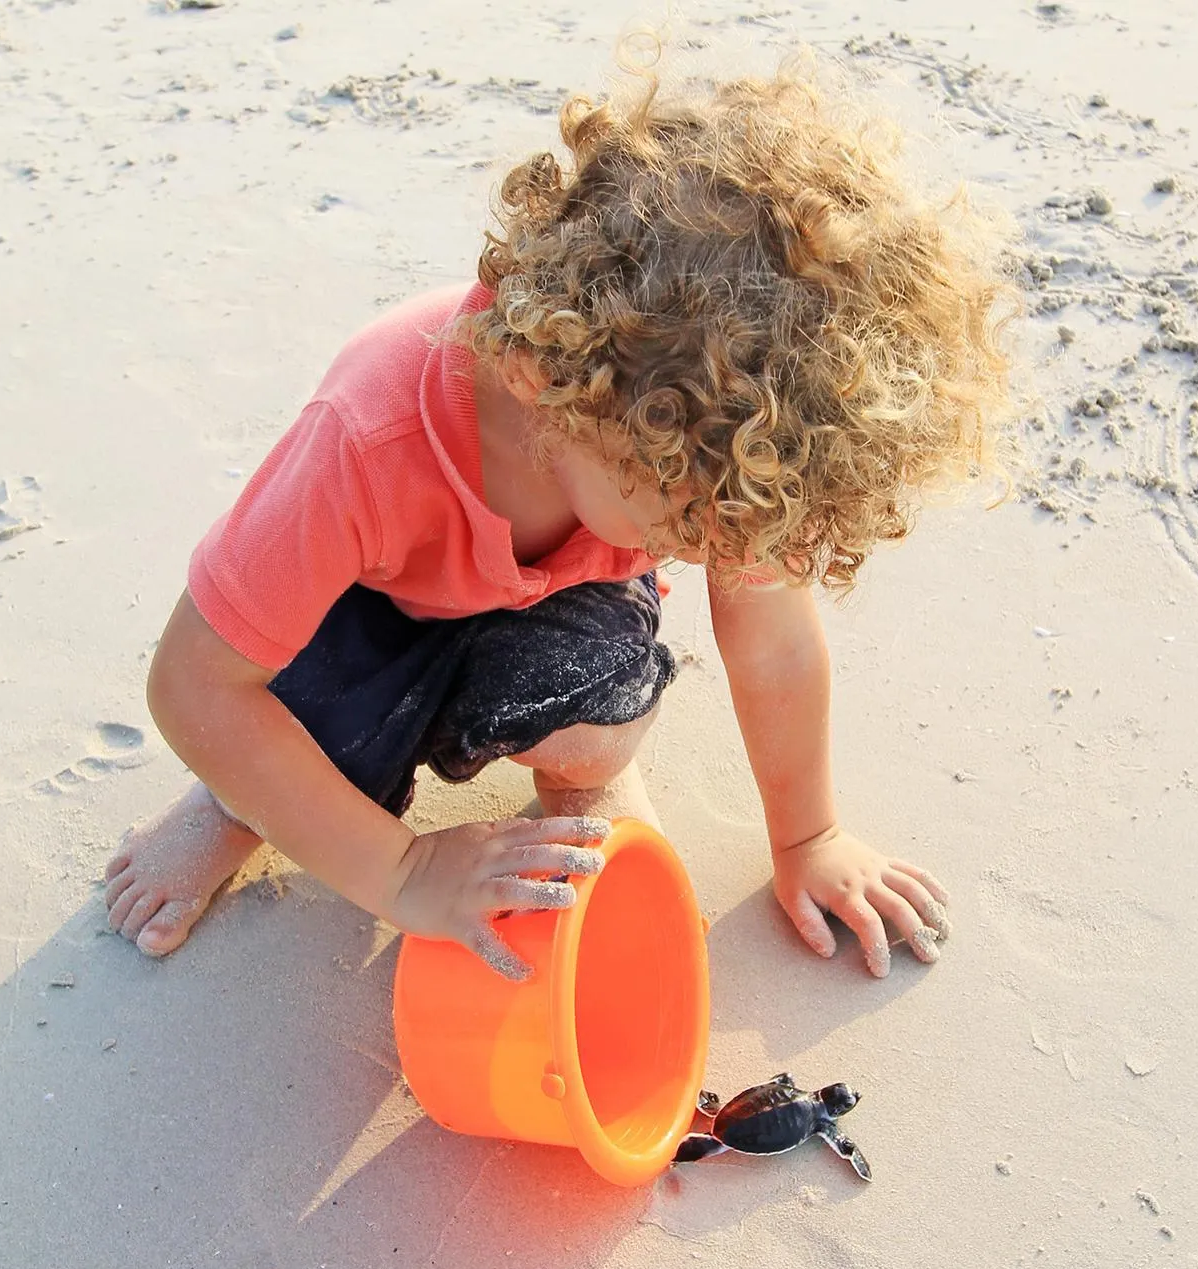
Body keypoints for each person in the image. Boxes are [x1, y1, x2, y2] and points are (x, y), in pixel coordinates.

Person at [102, 54, 1017, 980]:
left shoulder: (714, 443)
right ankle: (230, 805)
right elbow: (194, 681)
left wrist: (808, 836)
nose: (713, 554)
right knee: (293, 736)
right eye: (691, 523)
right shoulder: (367, 441)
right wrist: (408, 869)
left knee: (595, 716)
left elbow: (773, 642)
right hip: (365, 611)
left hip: (546, 608)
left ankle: (581, 782)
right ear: (548, 386)